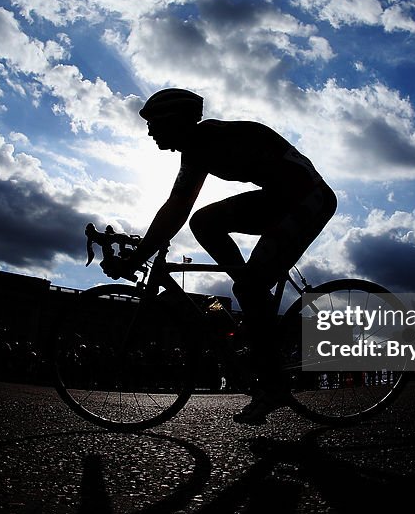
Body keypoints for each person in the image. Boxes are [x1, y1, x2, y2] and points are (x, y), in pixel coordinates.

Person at [102, 88, 337, 425]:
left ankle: (273, 384)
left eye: (155, 123)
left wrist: (137, 256)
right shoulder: (197, 148)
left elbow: (176, 209)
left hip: (308, 198)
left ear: (175, 121)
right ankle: (251, 296)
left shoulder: (210, 139)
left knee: (249, 287)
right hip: (280, 197)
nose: (150, 131)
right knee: (206, 225)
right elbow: (177, 209)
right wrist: (140, 254)